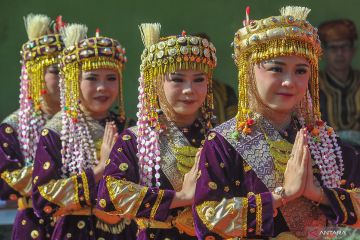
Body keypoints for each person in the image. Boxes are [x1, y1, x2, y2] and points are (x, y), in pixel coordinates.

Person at [193, 6, 360, 239]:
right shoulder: (224, 143)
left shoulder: (324, 141)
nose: (289, 82)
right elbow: (208, 217)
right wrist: (283, 195)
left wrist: (319, 194)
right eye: (276, 69)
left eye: (301, 71)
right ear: (249, 72)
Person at [96, 23, 217, 239]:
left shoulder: (218, 138)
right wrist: (180, 197)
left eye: (199, 79)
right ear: (156, 83)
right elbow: (110, 196)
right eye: (178, 79)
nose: (189, 90)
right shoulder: (135, 139)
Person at [31, 23, 136, 239]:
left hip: (125, 231)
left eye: (111, 78)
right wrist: (99, 170)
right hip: (76, 231)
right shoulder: (57, 131)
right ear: (74, 80)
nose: (102, 87)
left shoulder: (128, 128)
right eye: (92, 78)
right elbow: (42, 199)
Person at [0, 14, 65, 239]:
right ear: (37, 73)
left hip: (79, 223)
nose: (66, 79)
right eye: (56, 72)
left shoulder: (90, 124)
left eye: (71, 71)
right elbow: (7, 183)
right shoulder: (14, 127)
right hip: (33, 222)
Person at [318, 19, 360, 148]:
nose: (340, 53)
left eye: (345, 47)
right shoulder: (312, 83)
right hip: (324, 153)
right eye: (333, 48)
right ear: (323, 52)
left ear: (353, 50)